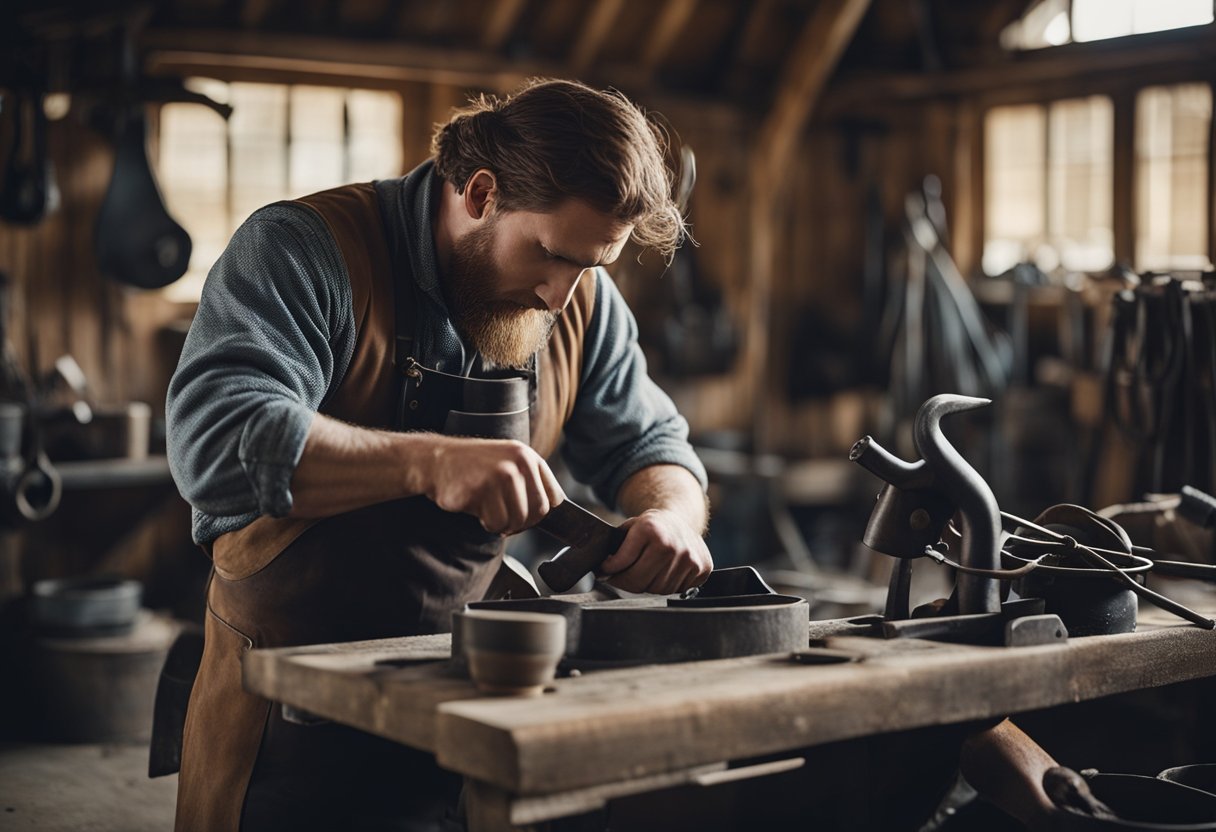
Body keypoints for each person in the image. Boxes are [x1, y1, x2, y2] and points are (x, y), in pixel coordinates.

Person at [164, 77, 713, 831]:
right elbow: (217, 442)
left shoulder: (579, 297)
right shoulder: (306, 249)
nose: (562, 294)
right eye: (550, 255)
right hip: (284, 722)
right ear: (481, 192)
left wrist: (672, 513)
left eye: (591, 266)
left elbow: (653, 442)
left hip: (470, 714)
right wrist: (430, 461)